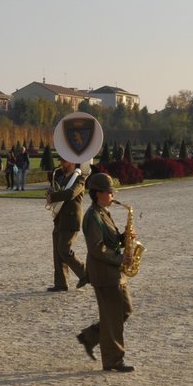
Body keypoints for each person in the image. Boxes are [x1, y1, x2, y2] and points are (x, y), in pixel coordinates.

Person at [75, 172, 134, 373]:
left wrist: (124, 237)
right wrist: (121, 258)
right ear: (98, 193)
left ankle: (90, 337)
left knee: (124, 310)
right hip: (105, 273)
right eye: (109, 192)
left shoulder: (102, 212)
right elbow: (97, 248)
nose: (112, 195)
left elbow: (110, 240)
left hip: (114, 272)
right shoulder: (92, 216)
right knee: (114, 317)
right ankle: (113, 360)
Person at [46, 157, 88, 291]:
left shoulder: (79, 179)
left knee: (64, 249)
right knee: (57, 253)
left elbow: (70, 193)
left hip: (71, 219)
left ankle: (85, 273)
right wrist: (50, 193)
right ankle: (60, 283)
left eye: (64, 161)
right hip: (60, 218)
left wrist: (53, 197)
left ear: (72, 162)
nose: (61, 164)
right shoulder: (62, 178)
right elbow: (57, 192)